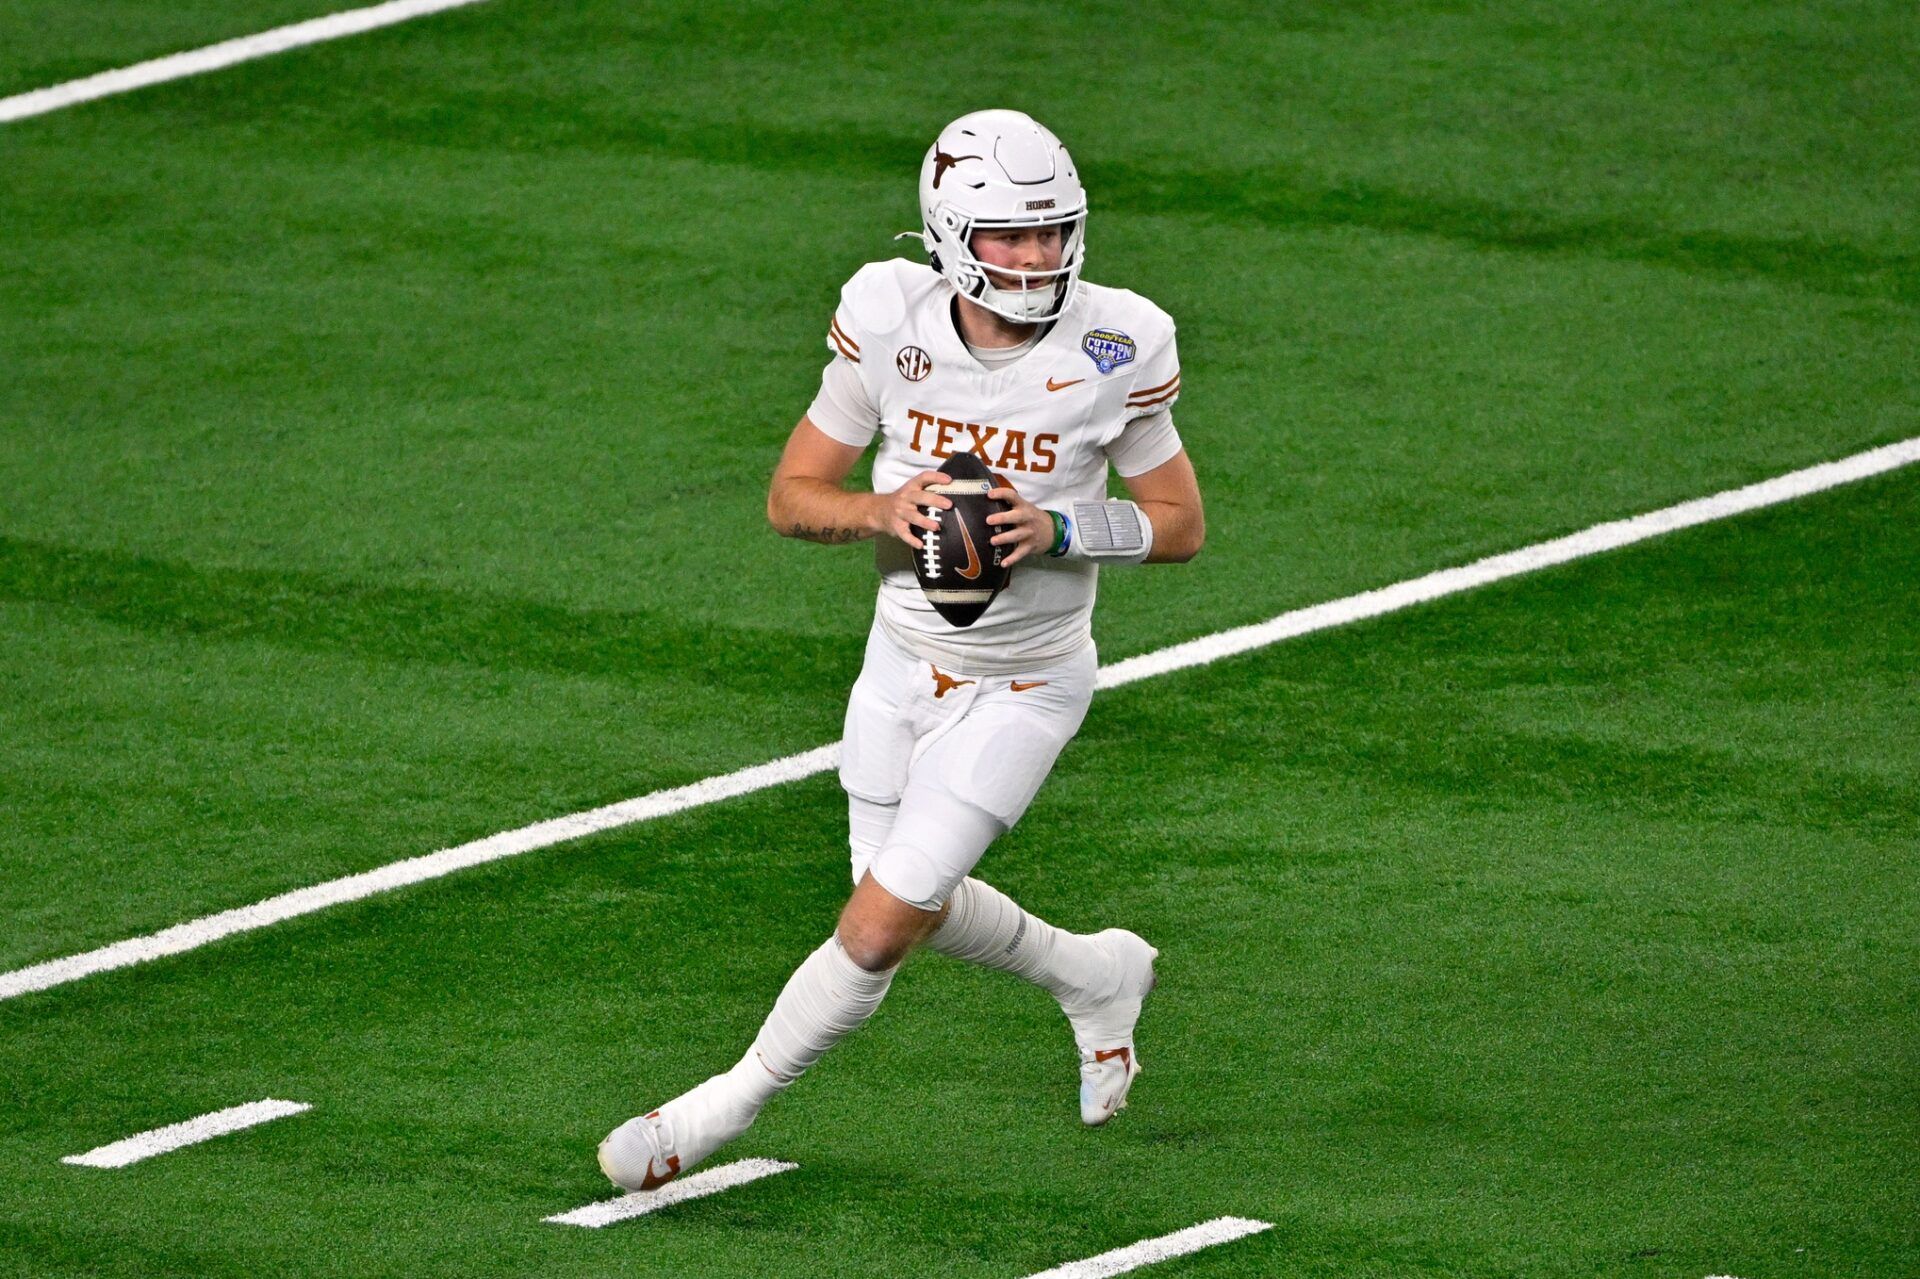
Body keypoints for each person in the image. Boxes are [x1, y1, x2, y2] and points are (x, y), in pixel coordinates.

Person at [599, 108, 1206, 1191]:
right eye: (1010, 237)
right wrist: (884, 510)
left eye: (1052, 231)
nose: (1037, 257)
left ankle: (716, 1107)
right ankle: (1095, 973)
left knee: (877, 931)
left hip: (1027, 682)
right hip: (897, 665)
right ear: (946, 233)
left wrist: (1062, 527)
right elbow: (792, 498)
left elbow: (1180, 524)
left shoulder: (1121, 341)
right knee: (898, 904)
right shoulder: (888, 318)